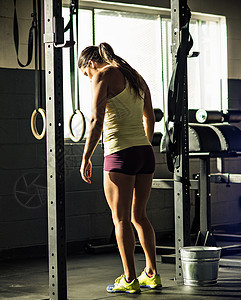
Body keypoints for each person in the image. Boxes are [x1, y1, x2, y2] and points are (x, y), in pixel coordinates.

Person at [78, 42, 162, 294]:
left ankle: (129, 279)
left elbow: (96, 119)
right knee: (140, 216)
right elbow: (151, 117)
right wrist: (144, 146)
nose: (89, 78)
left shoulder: (103, 75)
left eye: (86, 74)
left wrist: (86, 157)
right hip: (145, 154)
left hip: (119, 154)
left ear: (92, 64)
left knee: (121, 219)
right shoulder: (135, 76)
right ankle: (152, 273)